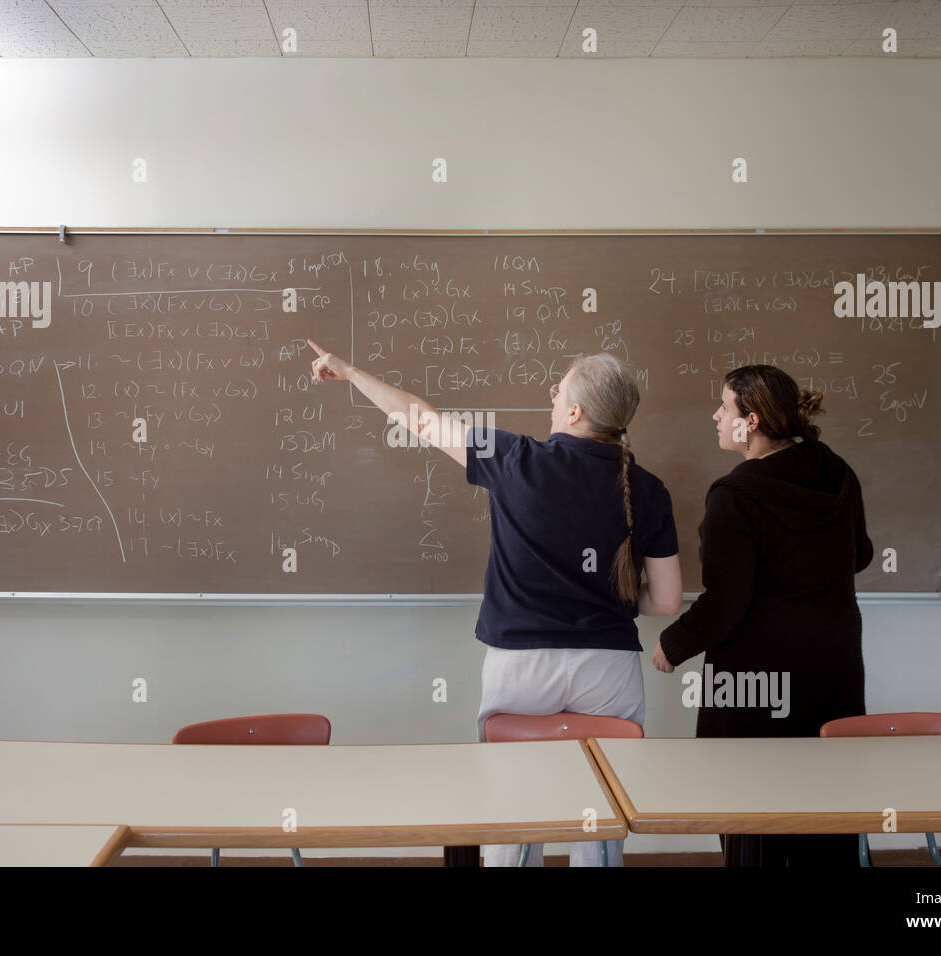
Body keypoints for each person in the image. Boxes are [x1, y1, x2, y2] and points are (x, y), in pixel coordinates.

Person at [307, 340, 683, 867]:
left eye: (560, 389)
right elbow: (666, 600)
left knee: (512, 812)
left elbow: (421, 420)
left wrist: (350, 372)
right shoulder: (648, 489)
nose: (552, 393)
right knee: (596, 820)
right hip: (610, 670)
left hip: (521, 666)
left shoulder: (514, 458)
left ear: (574, 411)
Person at [652, 364, 873, 867]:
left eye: (723, 407)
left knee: (750, 812)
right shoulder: (837, 472)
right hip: (832, 669)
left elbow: (727, 601)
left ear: (750, 421)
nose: (714, 415)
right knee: (828, 811)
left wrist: (673, 645)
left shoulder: (736, 494)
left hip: (756, 681)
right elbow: (859, 555)